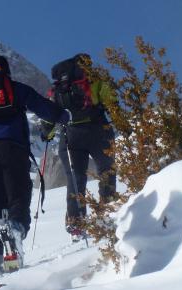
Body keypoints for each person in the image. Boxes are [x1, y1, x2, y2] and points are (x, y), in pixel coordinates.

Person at [0, 54, 70, 274]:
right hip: (13, 148)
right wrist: (64, 116)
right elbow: (42, 106)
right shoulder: (16, 89)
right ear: (7, 72)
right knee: (18, 196)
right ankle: (16, 227)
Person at [40, 53, 117, 241]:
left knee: (76, 178)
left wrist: (46, 134)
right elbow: (112, 103)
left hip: (71, 136)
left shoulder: (57, 88)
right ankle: (107, 213)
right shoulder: (95, 81)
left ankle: (76, 223)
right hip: (98, 129)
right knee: (106, 170)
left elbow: (49, 116)